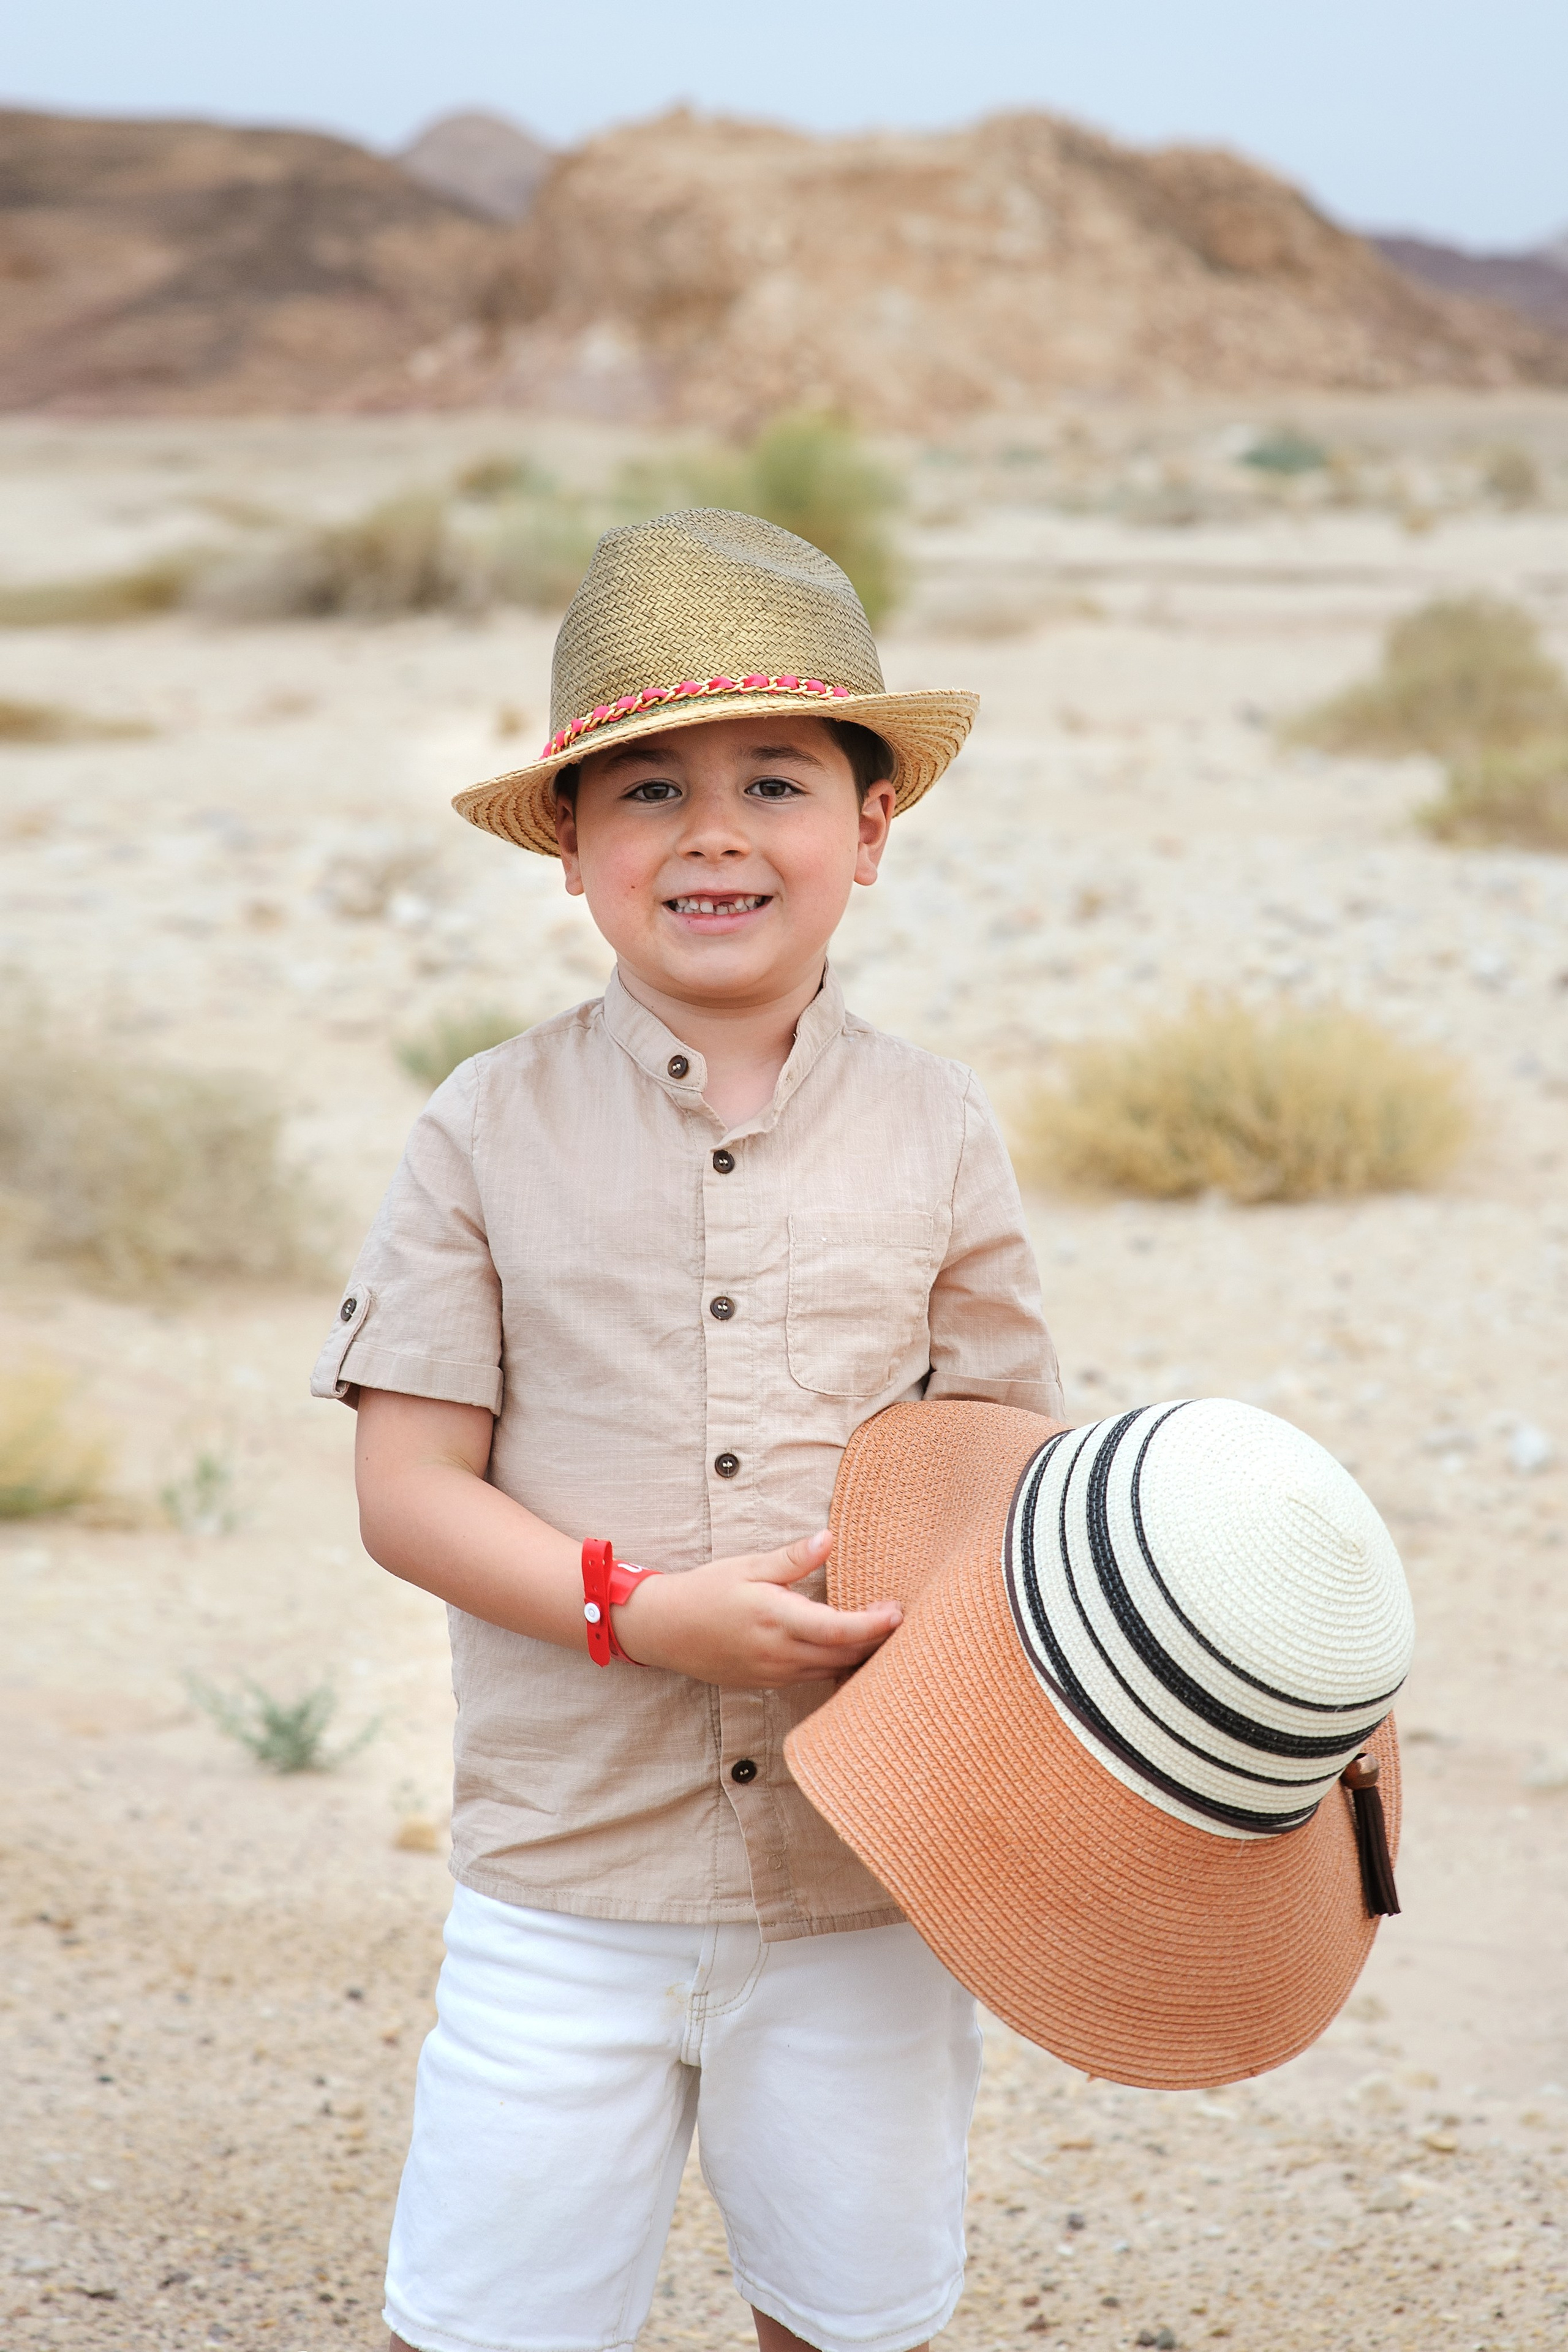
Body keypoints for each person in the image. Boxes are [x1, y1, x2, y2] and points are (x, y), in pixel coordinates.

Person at [313, 508, 1065, 2352]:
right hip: (568, 1882)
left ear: (872, 830)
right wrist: (634, 1611)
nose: (713, 830)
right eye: (645, 791)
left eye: (777, 779)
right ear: (570, 848)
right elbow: (406, 1490)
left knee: (851, 2317)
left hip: (868, 1880)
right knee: (485, 2318)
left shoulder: (941, 1131)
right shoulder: (481, 1129)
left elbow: (1011, 1473)